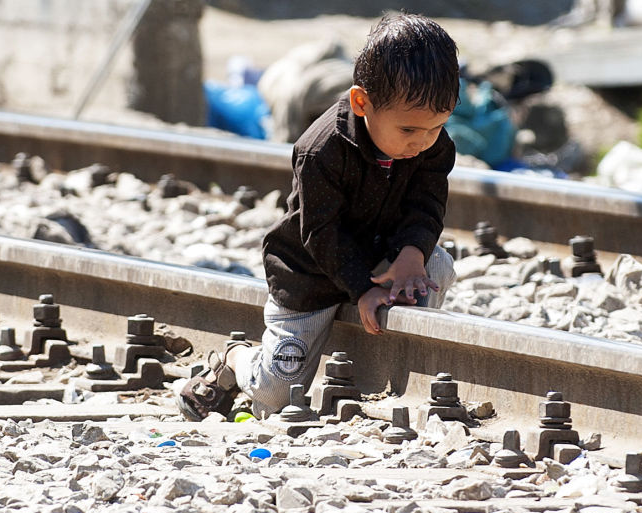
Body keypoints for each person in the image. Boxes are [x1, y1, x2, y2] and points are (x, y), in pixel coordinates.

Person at [176, 12, 460, 421]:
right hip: (312, 274)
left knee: (435, 264)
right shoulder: (322, 149)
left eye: (436, 127)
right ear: (362, 102)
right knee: (274, 398)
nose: (422, 142)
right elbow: (320, 232)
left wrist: (412, 252)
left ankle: (394, 376)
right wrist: (363, 287)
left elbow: (427, 203)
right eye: (409, 131)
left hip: (383, 253)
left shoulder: (432, 143)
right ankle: (236, 359)